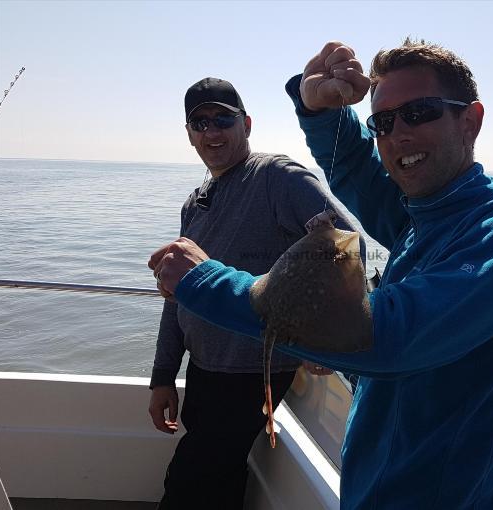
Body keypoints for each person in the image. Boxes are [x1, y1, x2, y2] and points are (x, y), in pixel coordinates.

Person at [150, 40, 493, 510]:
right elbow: (356, 168)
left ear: (470, 119)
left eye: (420, 112)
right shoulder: (418, 219)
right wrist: (320, 111)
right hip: (371, 490)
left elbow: (392, 334)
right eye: (382, 122)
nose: (397, 134)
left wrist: (207, 282)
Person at [149, 76, 351, 509]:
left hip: (251, 373)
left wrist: (321, 329)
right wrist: (164, 375)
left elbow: (344, 244)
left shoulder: (277, 177)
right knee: (216, 477)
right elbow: (177, 293)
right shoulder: (195, 201)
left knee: (188, 483)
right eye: (200, 123)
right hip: (204, 369)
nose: (212, 131)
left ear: (247, 124)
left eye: (224, 118)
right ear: (188, 135)